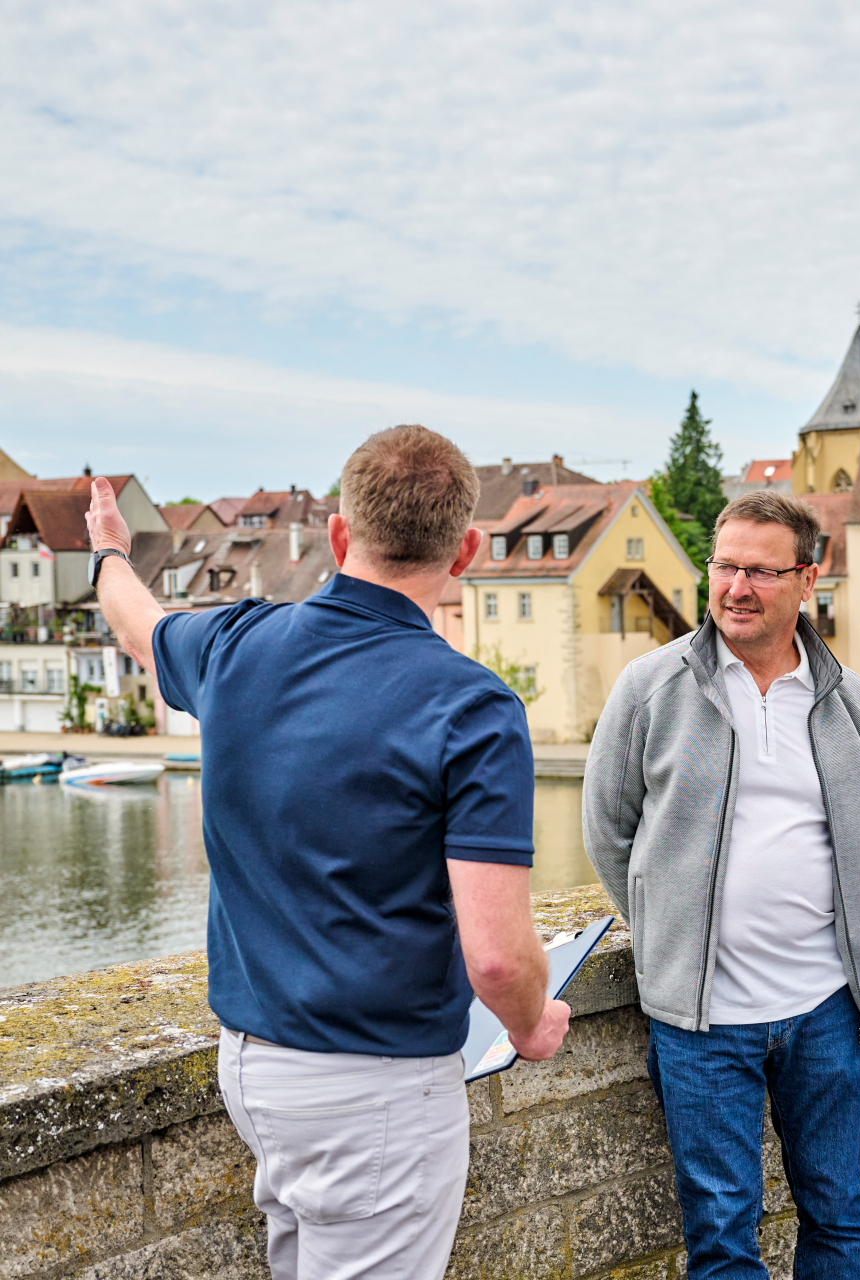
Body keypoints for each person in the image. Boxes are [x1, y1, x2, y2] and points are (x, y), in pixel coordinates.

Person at [86, 426, 570, 1280]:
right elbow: (496, 957)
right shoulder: (473, 707)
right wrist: (535, 1024)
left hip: (255, 1067)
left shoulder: (235, 646)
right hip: (376, 1085)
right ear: (466, 551)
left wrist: (109, 555)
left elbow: (138, 626)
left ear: (342, 537)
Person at [583, 490, 860, 1280]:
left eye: (761, 570)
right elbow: (608, 830)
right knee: (722, 1235)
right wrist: (669, 926)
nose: (736, 587)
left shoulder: (852, 703)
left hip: (826, 1009)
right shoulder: (651, 688)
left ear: (807, 579)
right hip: (701, 1020)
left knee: (837, 1213)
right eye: (725, 566)